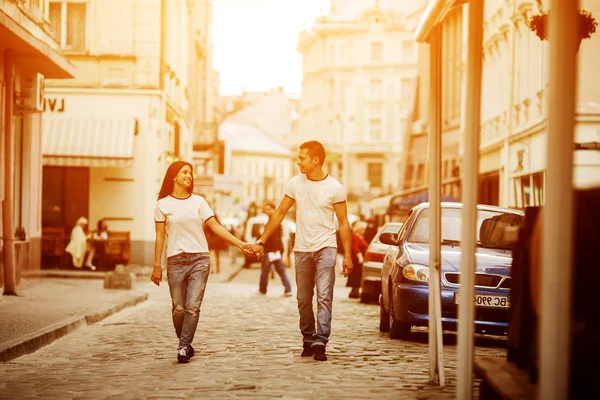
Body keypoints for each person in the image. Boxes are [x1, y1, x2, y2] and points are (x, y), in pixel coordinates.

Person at [249, 140, 353, 362]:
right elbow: (279, 213)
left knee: (324, 296)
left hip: (326, 247)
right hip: (302, 248)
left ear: (316, 160)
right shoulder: (295, 184)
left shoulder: (335, 187)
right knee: (303, 298)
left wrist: (349, 257)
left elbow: (343, 223)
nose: (298, 162)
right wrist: (261, 240)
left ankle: (321, 340)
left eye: (302, 158)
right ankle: (308, 337)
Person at [152, 160, 253, 364]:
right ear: (174, 176)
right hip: (175, 260)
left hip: (200, 259)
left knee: (193, 306)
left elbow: (216, 227)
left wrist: (240, 244)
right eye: (185, 172)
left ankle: (182, 347)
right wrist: (156, 266)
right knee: (178, 308)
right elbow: (160, 237)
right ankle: (186, 342)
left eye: (191, 173)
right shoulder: (163, 205)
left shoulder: (199, 202)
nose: (189, 176)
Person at [255, 201, 293, 297]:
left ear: (273, 209)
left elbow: (278, 238)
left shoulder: (274, 222)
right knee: (280, 271)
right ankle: (287, 289)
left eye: (268, 209)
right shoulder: (271, 221)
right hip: (274, 251)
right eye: (265, 209)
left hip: (270, 251)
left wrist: (281, 252)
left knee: (266, 272)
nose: (266, 211)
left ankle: (262, 290)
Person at [347, 221, 368, 299]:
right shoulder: (354, 236)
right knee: (356, 276)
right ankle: (354, 292)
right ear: (359, 229)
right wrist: (360, 257)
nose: (365, 231)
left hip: (357, 260)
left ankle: (354, 292)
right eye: (363, 229)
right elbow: (355, 247)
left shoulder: (358, 237)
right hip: (356, 260)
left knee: (356, 276)